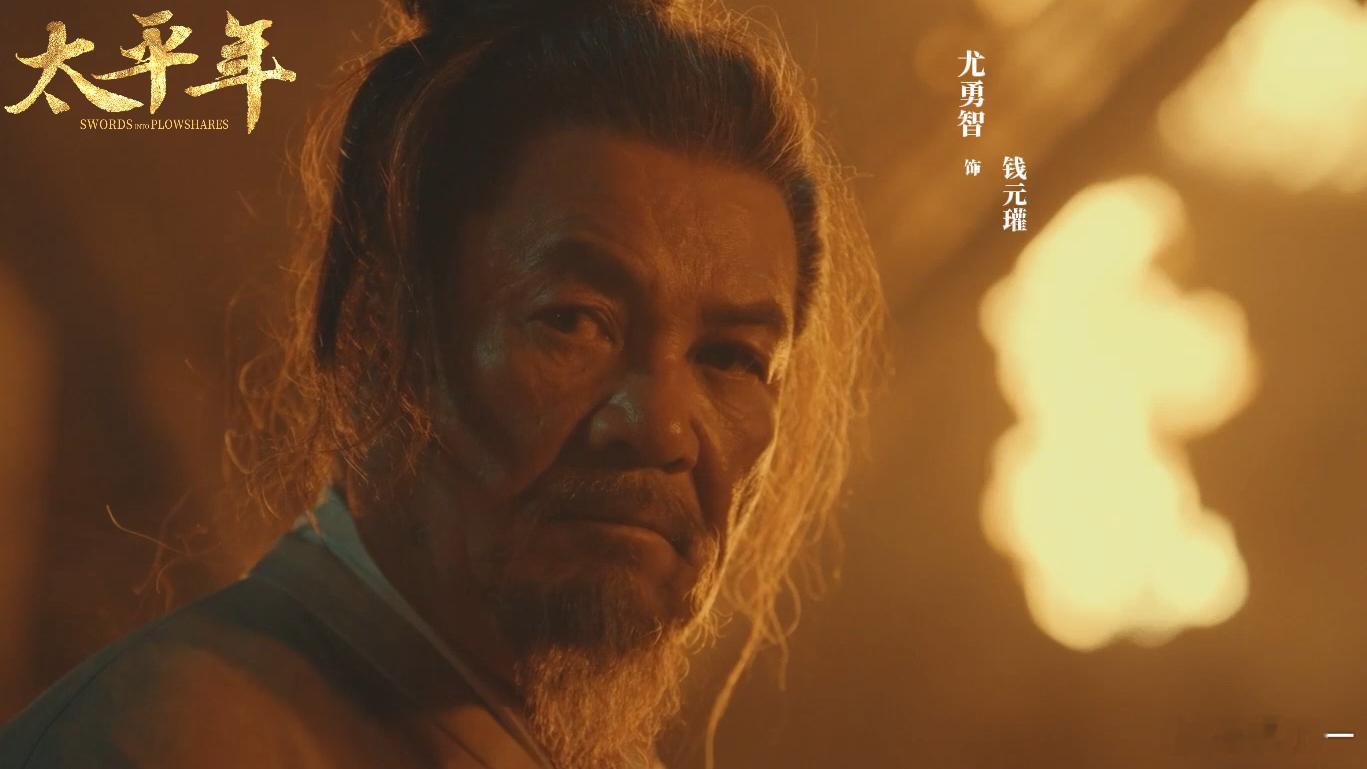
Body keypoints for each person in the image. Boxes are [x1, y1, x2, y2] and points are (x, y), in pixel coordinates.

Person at [0, 0, 884, 767]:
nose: (658, 426)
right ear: (379, 328)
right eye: (573, 319)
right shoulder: (169, 742)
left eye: (730, 358)